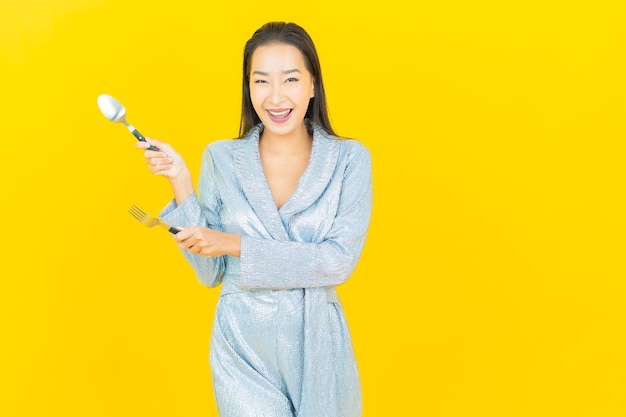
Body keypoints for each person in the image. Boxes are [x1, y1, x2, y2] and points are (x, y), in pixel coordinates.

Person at [136, 21, 372, 417]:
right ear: (249, 88)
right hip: (242, 344)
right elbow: (211, 273)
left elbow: (337, 262)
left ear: (313, 85)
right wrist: (180, 181)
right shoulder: (221, 158)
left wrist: (237, 244)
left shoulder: (349, 160)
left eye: (291, 79)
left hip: (318, 344)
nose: (275, 96)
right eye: (261, 81)